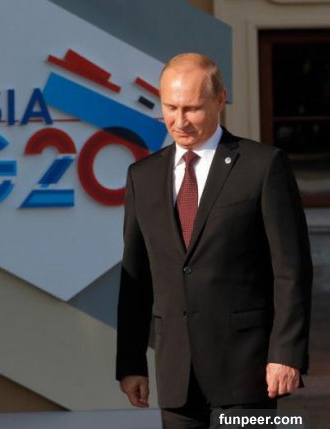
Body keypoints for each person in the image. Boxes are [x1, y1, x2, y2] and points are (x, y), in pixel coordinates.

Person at [115, 52, 312, 428]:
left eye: (192, 108)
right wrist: (130, 363)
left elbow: (291, 269)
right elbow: (135, 279)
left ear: (220, 100)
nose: (180, 121)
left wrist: (286, 353)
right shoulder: (143, 176)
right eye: (170, 107)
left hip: (248, 372)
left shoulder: (262, 166)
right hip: (176, 376)